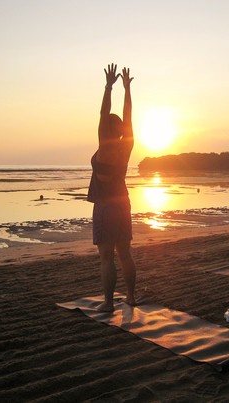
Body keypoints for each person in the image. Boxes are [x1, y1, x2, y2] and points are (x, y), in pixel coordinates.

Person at [87, 63, 136, 312]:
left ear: (106, 129)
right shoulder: (126, 145)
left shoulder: (106, 146)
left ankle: (107, 303)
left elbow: (103, 113)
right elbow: (128, 116)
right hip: (123, 203)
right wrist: (127, 89)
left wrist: (109, 87)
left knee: (107, 257)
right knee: (124, 253)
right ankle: (130, 297)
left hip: (106, 207)